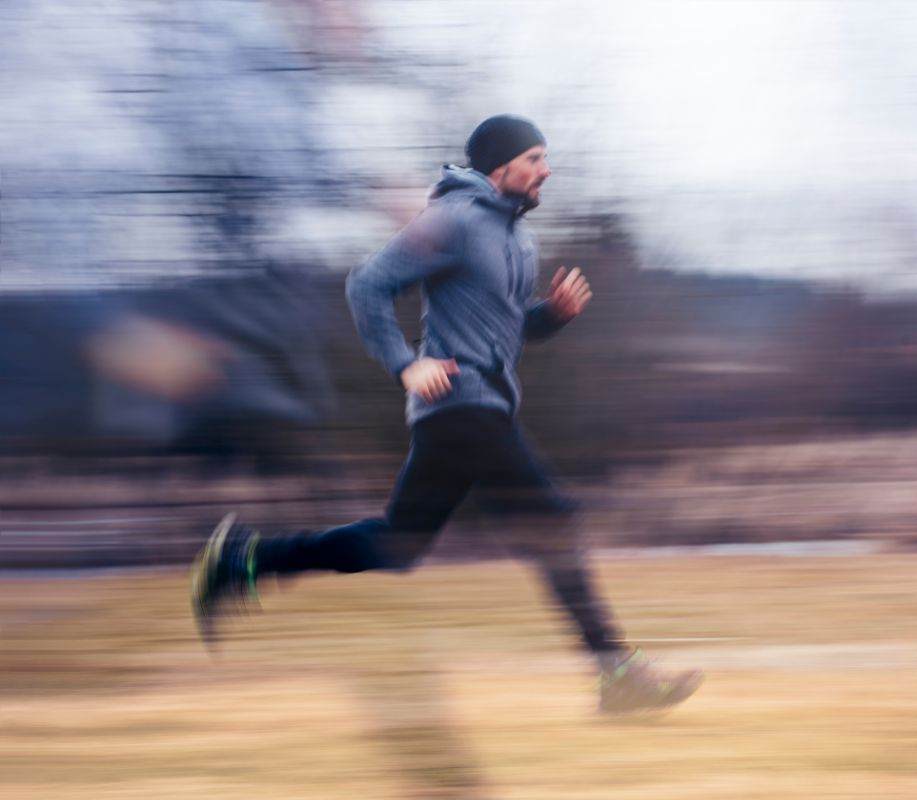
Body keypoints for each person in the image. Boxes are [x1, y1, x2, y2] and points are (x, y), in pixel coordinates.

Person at [191, 114, 702, 714]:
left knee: (396, 547)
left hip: (481, 411)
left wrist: (551, 317)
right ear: (500, 165)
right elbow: (367, 285)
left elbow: (510, 331)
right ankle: (617, 674)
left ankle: (243, 561)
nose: (547, 169)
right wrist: (405, 365)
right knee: (552, 522)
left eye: (546, 158)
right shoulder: (455, 219)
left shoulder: (519, 238)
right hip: (460, 406)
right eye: (535, 157)